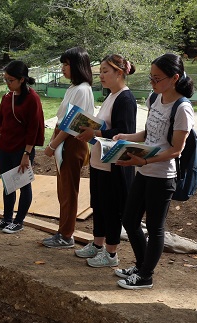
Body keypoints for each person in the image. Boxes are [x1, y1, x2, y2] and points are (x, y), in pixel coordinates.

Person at [112, 53, 195, 289]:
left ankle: (146, 275)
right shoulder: (154, 98)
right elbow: (149, 134)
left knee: (156, 227)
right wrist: (125, 138)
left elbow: (176, 150)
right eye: (151, 77)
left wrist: (144, 162)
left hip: (162, 176)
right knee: (129, 219)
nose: (152, 83)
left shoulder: (182, 109)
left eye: (157, 78)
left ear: (174, 78)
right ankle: (140, 265)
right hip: (144, 172)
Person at [74, 55, 137, 267]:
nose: (100, 75)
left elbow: (124, 132)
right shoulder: (111, 96)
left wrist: (97, 131)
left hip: (114, 165)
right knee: (98, 205)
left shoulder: (125, 99)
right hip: (99, 161)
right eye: (99, 71)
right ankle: (97, 244)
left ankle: (111, 254)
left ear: (120, 73)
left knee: (111, 208)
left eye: (105, 71)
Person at [43, 47, 94, 248]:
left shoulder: (82, 89)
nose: (63, 68)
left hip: (71, 143)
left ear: (77, 66)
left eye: (66, 64)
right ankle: (63, 231)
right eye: (62, 64)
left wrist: (52, 144)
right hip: (64, 142)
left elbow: (72, 123)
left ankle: (66, 235)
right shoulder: (74, 88)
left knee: (68, 191)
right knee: (63, 190)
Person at [0, 61, 45, 233]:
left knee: (23, 184)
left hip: (22, 149)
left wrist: (26, 154)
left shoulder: (32, 99)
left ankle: (18, 221)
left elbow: (34, 129)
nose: (7, 83)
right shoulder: (6, 98)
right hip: (4, 147)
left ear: (21, 80)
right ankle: (6, 219)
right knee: (7, 184)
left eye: (10, 80)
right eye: (5, 80)